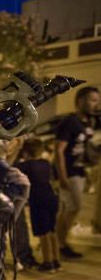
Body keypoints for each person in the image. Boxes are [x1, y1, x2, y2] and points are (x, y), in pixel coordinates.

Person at [54, 86, 99, 259]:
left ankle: (61, 242)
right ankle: (61, 243)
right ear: (80, 100)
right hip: (69, 172)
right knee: (72, 208)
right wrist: (62, 176)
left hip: (79, 171)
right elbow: (59, 150)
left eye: (97, 100)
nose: (96, 104)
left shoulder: (87, 121)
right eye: (92, 100)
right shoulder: (69, 122)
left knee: (72, 209)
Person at [16, 137, 61, 272]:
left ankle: (48, 263)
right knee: (52, 231)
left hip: (39, 202)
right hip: (51, 199)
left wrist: (16, 149)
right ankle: (56, 260)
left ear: (25, 153)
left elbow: (10, 167)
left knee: (44, 233)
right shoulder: (46, 163)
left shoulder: (26, 166)